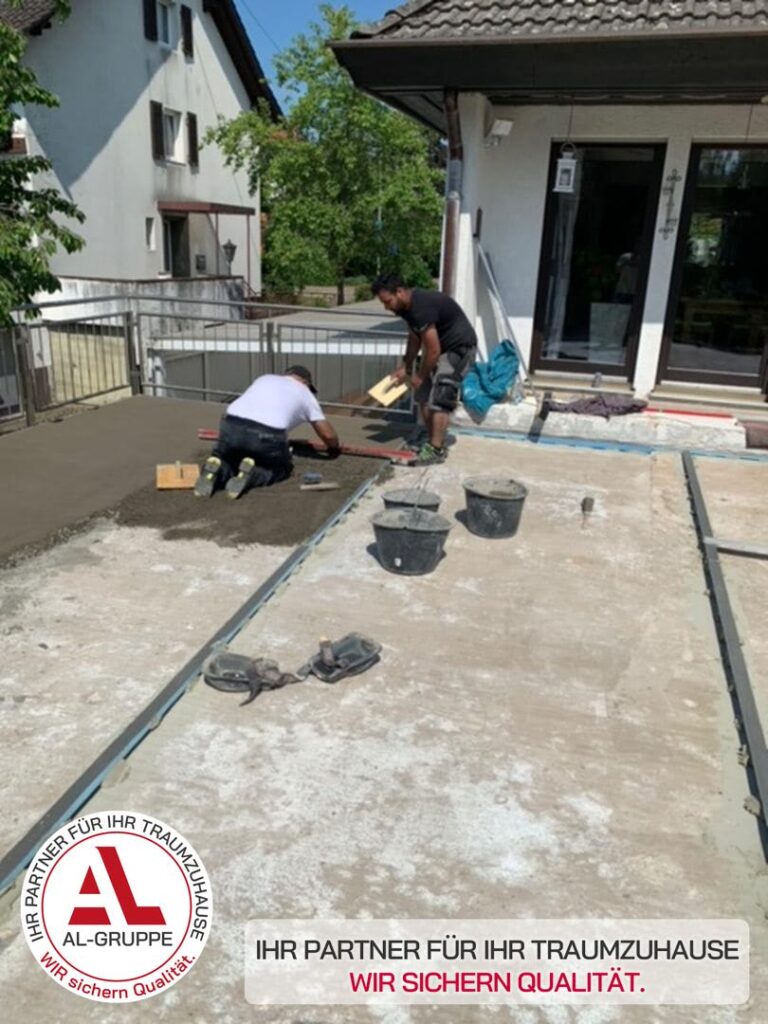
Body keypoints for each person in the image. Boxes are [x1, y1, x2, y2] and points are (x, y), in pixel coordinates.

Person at [371, 274, 477, 465]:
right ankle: (432, 440)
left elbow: (433, 349)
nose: (387, 307)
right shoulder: (406, 309)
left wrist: (419, 376)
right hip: (440, 349)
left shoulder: (421, 307)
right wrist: (405, 367)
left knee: (441, 395)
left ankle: (436, 450)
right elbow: (414, 339)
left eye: (388, 301)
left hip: (459, 349)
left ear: (399, 292)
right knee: (422, 394)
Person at [195, 365, 340, 500]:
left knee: (228, 458)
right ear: (305, 382)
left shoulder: (265, 378)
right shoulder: (305, 393)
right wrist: (334, 447)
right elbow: (328, 435)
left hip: (231, 423)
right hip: (266, 433)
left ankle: (217, 470)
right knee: (280, 469)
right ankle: (252, 476)